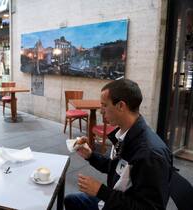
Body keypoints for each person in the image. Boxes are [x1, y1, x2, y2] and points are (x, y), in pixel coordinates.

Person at [64, 79, 172, 210]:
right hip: (113, 199)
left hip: (116, 203)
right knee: (70, 200)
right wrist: (91, 156)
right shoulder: (125, 134)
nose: (101, 111)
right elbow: (115, 167)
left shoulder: (151, 154)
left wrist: (101, 191)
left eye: (105, 105)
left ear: (121, 106)